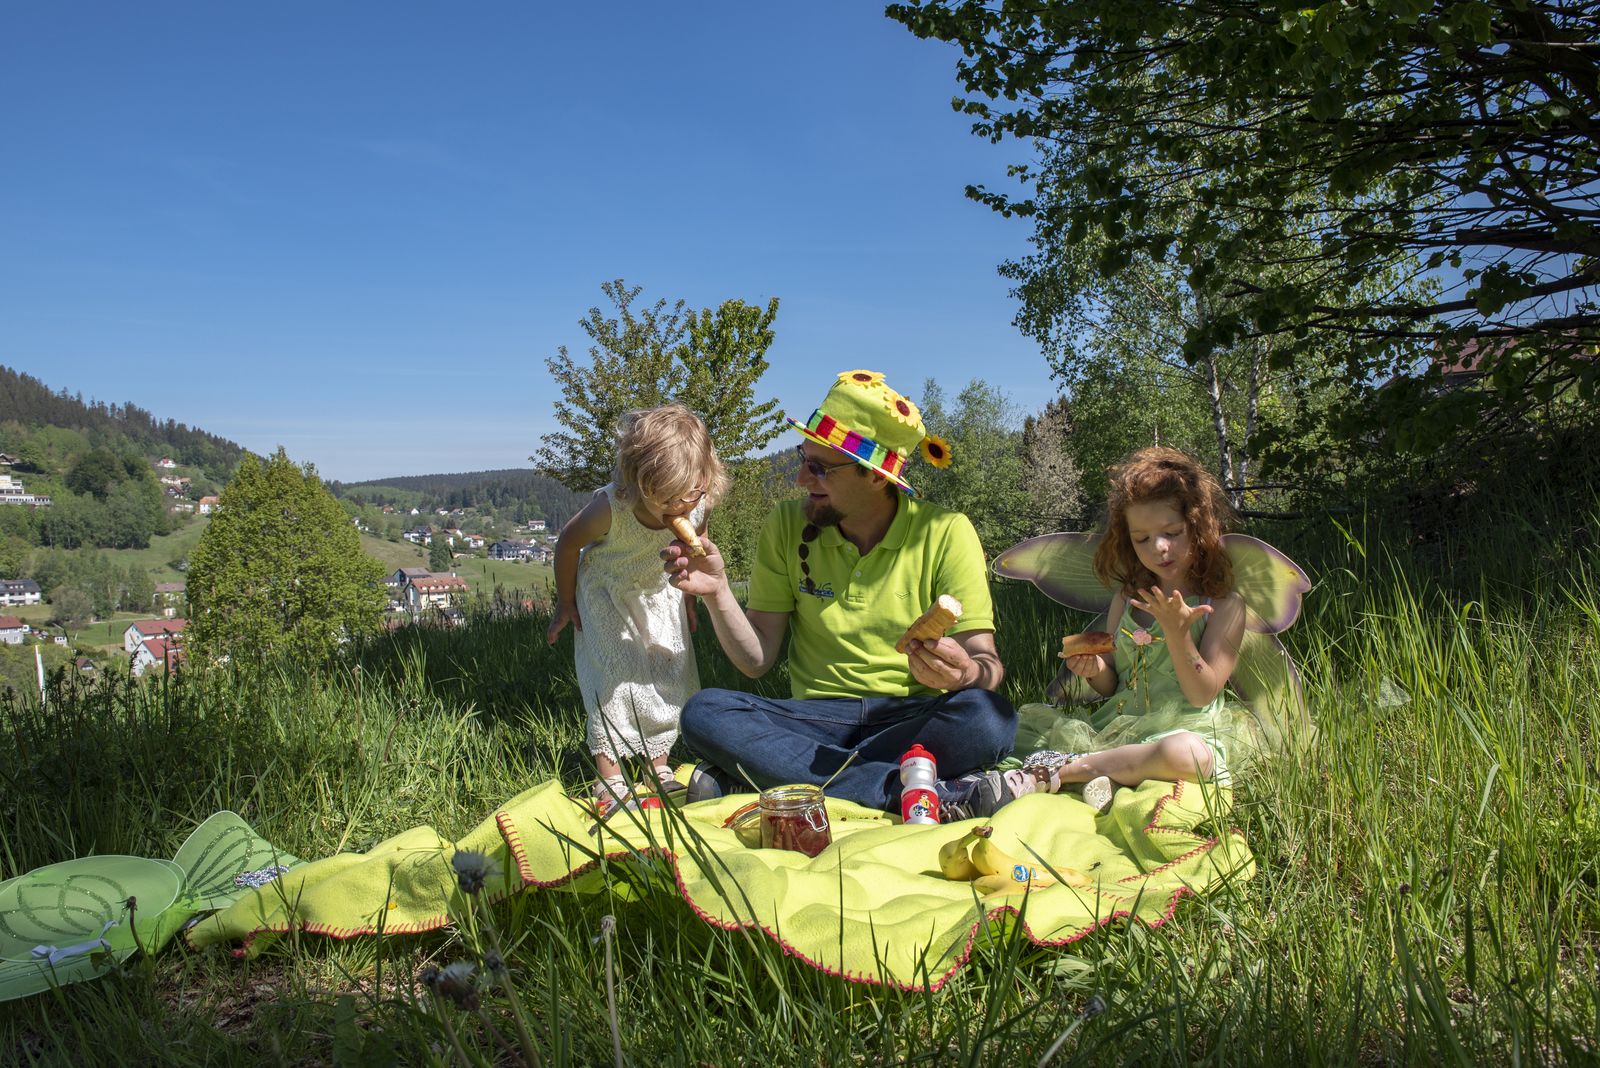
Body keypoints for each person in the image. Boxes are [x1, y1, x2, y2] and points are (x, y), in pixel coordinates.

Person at [662, 370, 1017, 818]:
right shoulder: (787, 525)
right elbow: (756, 662)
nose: (800, 479)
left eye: (820, 468)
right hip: (814, 723)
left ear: (875, 477)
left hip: (910, 718)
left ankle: (772, 776)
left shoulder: (946, 532)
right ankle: (902, 787)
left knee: (989, 718)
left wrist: (964, 674)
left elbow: (987, 666)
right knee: (705, 712)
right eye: (803, 457)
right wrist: (717, 592)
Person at [997, 446, 1250, 810]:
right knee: (1014, 728)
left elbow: (1202, 695)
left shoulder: (1225, 605)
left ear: (1197, 525)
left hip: (1184, 728)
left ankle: (1060, 772)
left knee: (1189, 755)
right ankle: (1109, 774)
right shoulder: (1128, 598)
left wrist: (1178, 635)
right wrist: (1094, 669)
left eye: (1172, 532)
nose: (1159, 548)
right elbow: (1112, 682)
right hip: (1117, 725)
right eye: (1142, 538)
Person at [547, 404, 726, 815]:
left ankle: (656, 765)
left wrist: (689, 598)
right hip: (606, 595)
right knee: (615, 676)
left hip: (660, 593)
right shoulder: (611, 508)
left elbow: (693, 545)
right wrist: (565, 602)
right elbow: (568, 543)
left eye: (690, 495)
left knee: (668, 674)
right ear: (639, 481)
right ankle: (609, 775)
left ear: (704, 479)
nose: (681, 508)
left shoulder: (697, 501)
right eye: (667, 501)